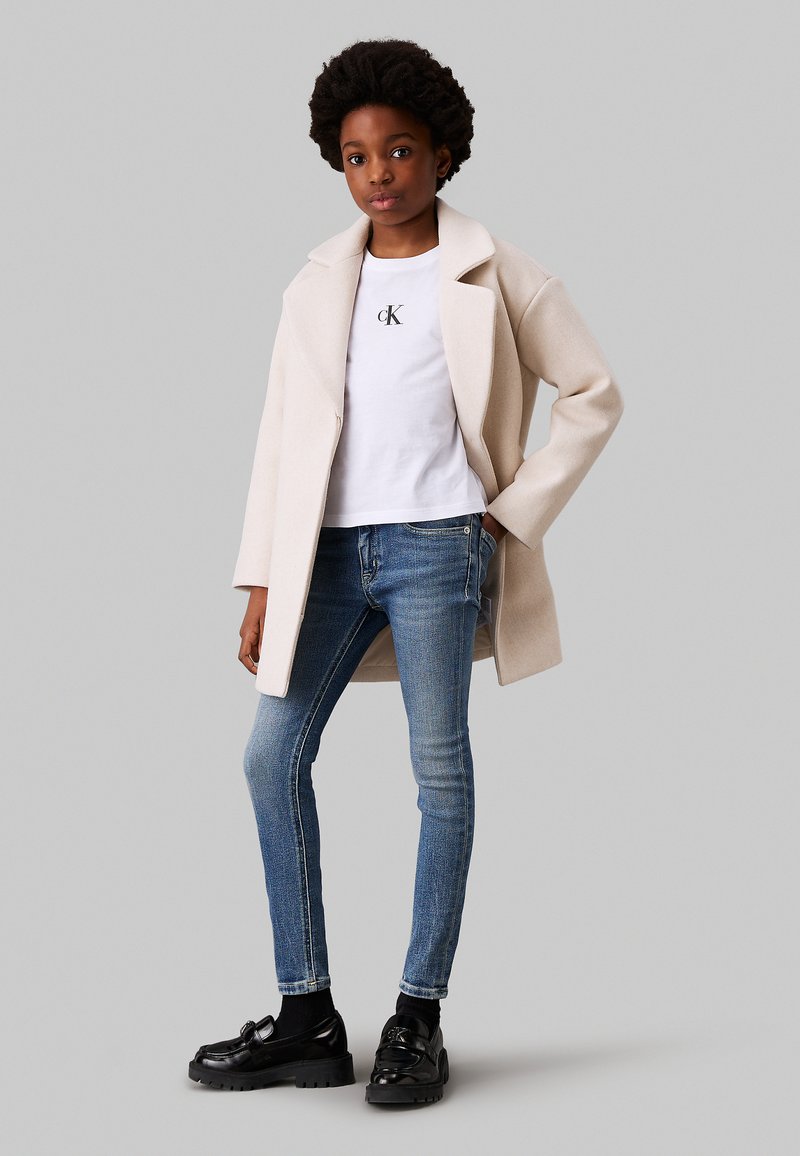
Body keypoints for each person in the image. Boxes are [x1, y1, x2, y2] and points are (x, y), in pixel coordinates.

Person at [188, 38, 624, 1106]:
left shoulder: (495, 271)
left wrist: (511, 513)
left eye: (397, 151)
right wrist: (263, 576)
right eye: (355, 156)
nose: (377, 173)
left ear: (441, 153)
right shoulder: (316, 283)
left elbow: (593, 392)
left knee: (438, 776)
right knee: (270, 757)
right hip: (329, 555)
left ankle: (417, 1018)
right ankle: (307, 1014)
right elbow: (282, 434)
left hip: (438, 549)